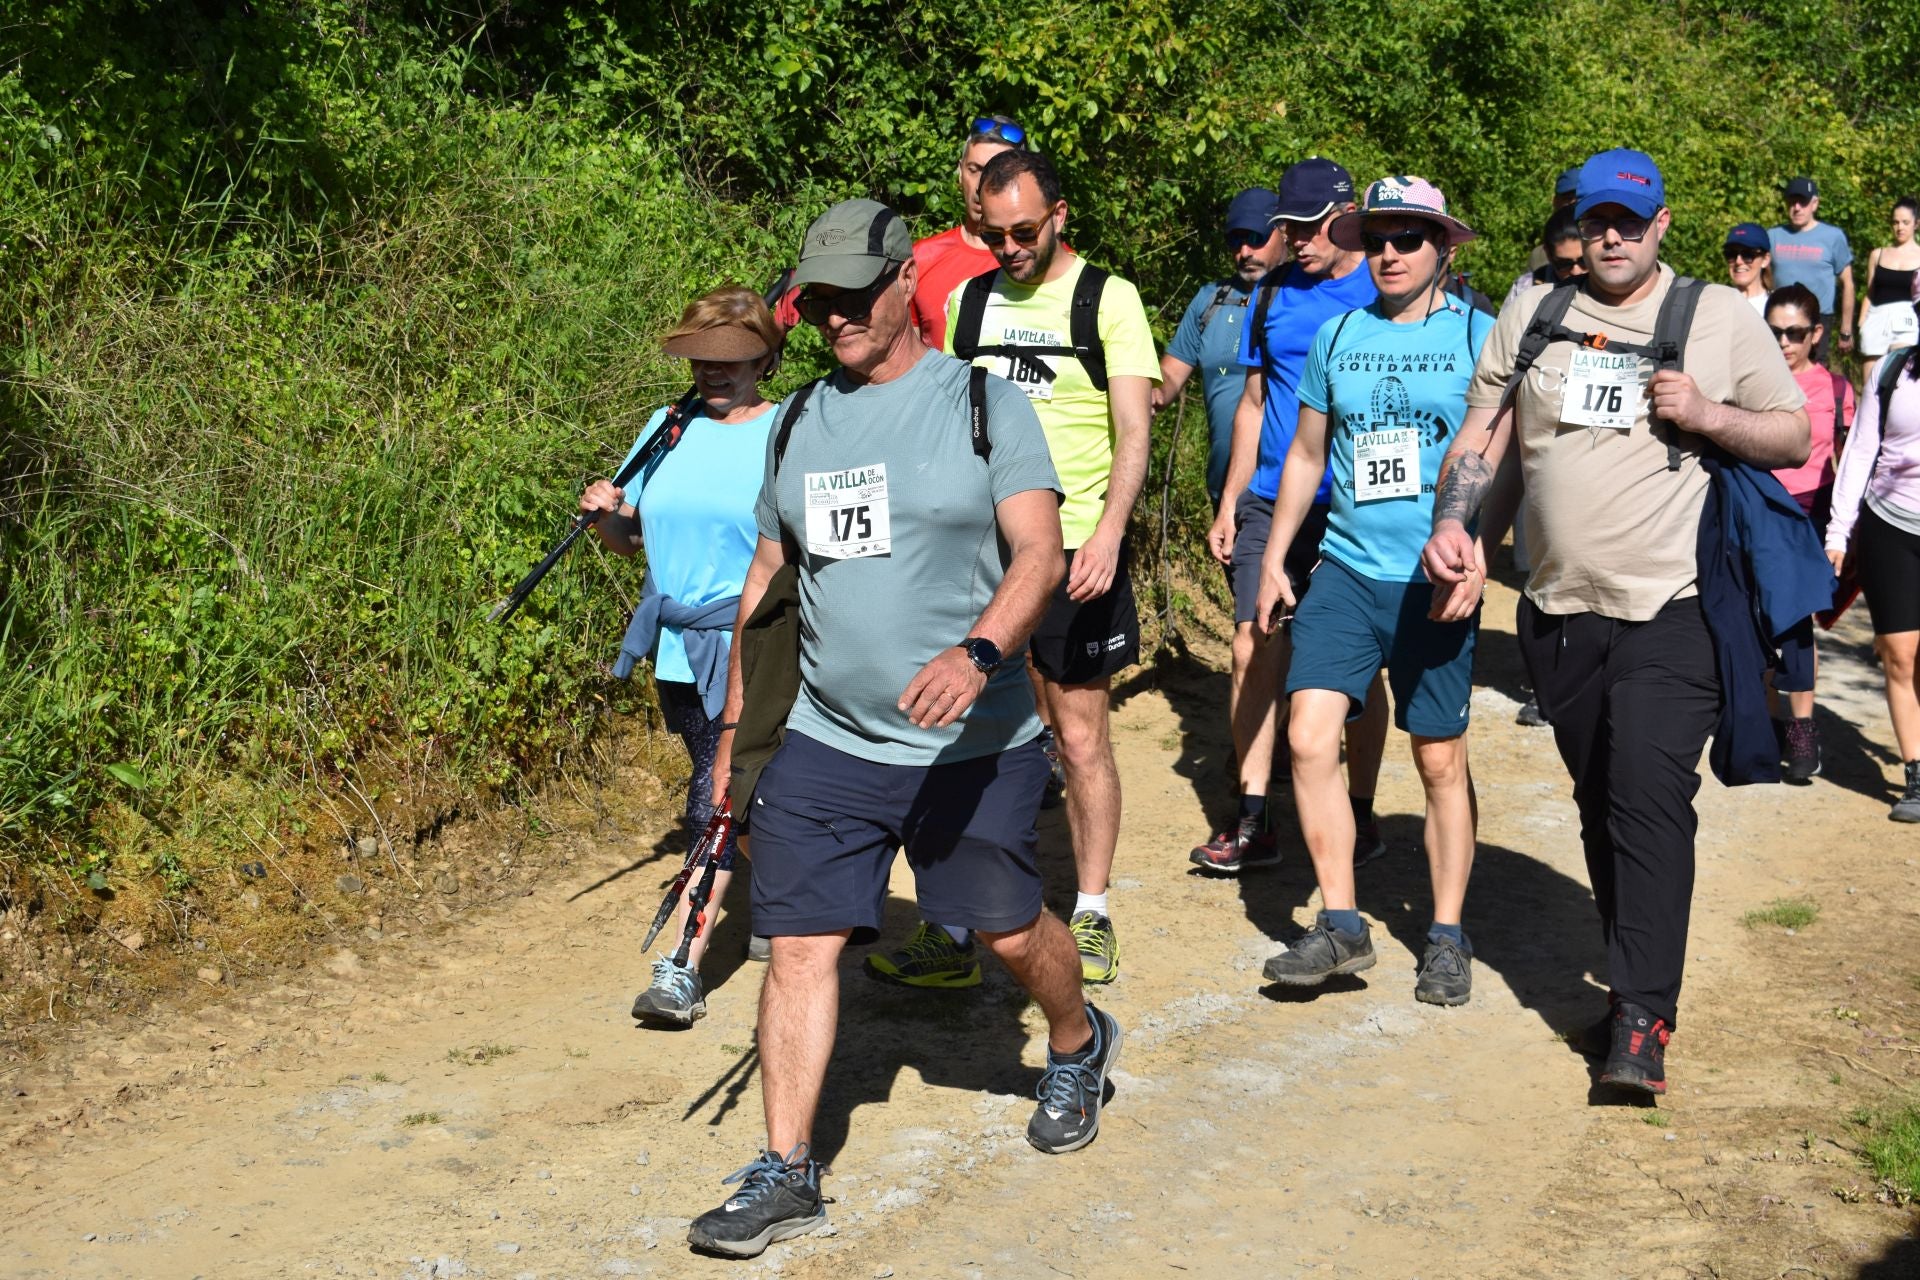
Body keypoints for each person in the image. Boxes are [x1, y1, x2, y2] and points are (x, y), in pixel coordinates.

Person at [686, 198, 1123, 1258]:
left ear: (902, 287)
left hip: (973, 746)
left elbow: (1039, 554)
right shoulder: (794, 423)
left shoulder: (982, 405)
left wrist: (979, 654)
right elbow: (769, 577)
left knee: (1009, 926)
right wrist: (734, 737)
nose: (831, 314)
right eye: (816, 299)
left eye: (849, 295)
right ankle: (787, 1168)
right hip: (832, 743)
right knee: (799, 946)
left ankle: (1076, 1039)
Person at [1422, 149, 1808, 1096]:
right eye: (1596, 219)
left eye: (1630, 221)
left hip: (1673, 608)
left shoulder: (1715, 316)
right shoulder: (1536, 312)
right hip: (1557, 610)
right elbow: (1485, 438)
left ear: (1662, 224)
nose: (1612, 235)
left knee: (1645, 793)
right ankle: (1636, 974)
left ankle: (1641, 1015)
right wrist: (1455, 526)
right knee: (1601, 801)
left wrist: (1711, 413)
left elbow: (1792, 432)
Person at [902, 147, 1158, 988]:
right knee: (954, 730)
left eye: (1024, 232)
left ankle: (1089, 912)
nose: (1009, 248)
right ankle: (950, 923)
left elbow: (1133, 430)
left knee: (1078, 738)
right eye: (994, 232)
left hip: (1080, 548)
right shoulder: (971, 301)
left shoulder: (1108, 300)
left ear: (1059, 216)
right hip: (981, 557)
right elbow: (944, 421)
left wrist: (1112, 533)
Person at [1252, 176, 1489, 1005]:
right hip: (1347, 570)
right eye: (1378, 238)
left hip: (1433, 579)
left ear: (1443, 249)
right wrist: (1278, 556)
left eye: (1409, 239)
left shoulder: (1479, 336)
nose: (1390, 253)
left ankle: (1448, 934)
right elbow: (1308, 457)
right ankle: (1342, 923)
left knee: (1437, 761)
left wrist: (1482, 545)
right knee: (1310, 738)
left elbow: (1505, 455)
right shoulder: (1340, 332)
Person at [577, 286, 784, 1027]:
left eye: (730, 358)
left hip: (757, 644)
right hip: (674, 644)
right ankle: (783, 905)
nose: (712, 371)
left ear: (766, 356)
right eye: (700, 356)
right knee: (738, 794)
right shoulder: (664, 429)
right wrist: (604, 515)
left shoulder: (786, 431)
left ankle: (682, 970)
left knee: (712, 798)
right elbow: (633, 540)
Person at [1196, 157, 1389, 876]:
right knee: (1252, 645)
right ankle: (1253, 817)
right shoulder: (1271, 292)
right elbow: (1252, 403)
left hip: (1355, 505)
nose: (1296, 239)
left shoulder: (1385, 284)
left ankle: (1360, 811)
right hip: (1272, 498)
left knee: (1361, 668)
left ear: (1345, 218)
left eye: (1309, 227)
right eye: (1288, 226)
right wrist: (1228, 500)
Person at [1825, 341, 1920, 823]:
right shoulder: (1894, 370)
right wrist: (1839, 531)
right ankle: (1917, 775)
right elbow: (1862, 448)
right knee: (1899, 655)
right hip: (1891, 524)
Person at [1764, 283, 1853, 782]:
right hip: (1757, 510)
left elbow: (1850, 459)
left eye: (1794, 333)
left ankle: (1801, 731)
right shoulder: (1751, 381)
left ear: (1816, 333)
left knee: (1796, 624)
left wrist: (1845, 532)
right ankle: (1767, 722)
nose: (1782, 342)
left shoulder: (1837, 390)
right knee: (1755, 619)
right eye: (1773, 331)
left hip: (1809, 514)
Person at [1154, 188, 1290, 505]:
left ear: (1284, 232)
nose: (1244, 251)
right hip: (1227, 489)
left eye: (1256, 237)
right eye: (1235, 240)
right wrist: (1148, 391)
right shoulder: (1210, 300)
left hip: (1293, 492)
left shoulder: (1308, 297)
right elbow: (1171, 374)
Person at [906, 114, 1030, 351]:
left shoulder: (1044, 258)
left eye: (999, 172)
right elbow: (906, 360)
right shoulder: (921, 259)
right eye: (975, 170)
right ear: (960, 172)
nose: (983, 184)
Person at [1770, 176, 1854, 361]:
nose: (1797, 207)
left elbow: (1847, 283)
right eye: (1792, 202)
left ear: (1814, 204)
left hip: (1817, 320)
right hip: (1781, 319)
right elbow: (1763, 277)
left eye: (1803, 202)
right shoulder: (1773, 236)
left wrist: (1846, 329)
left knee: (1814, 374)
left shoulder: (1833, 237)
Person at [1856, 196, 1920, 380]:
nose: (1900, 227)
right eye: (1895, 222)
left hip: (1908, 320)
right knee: (1870, 382)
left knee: (1898, 379)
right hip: (1877, 320)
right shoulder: (1877, 254)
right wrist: (1862, 323)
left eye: (1905, 222)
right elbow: (1870, 292)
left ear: (1916, 224)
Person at [1504, 206, 1585, 307]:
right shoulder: (1525, 288)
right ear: (1549, 255)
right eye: (1564, 264)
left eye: (1583, 261)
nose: (1576, 271)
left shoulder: (1609, 287)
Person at [1723, 222, 1774, 314]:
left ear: (1765, 260)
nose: (1738, 261)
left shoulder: (1776, 306)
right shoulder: (1718, 303)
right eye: (1731, 254)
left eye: (1748, 254)